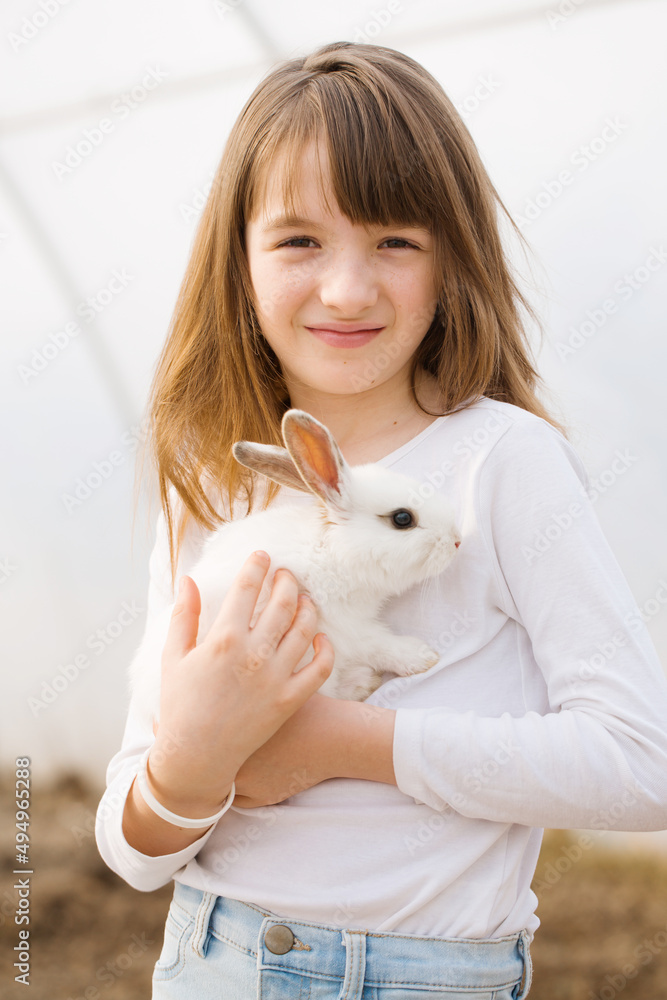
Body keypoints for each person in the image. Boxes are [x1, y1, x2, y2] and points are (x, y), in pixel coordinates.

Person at [95, 41, 667, 999]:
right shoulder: (213, 490)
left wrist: (339, 743)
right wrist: (193, 768)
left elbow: (637, 764)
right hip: (219, 960)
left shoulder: (502, 463)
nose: (348, 289)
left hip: (432, 974)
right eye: (298, 241)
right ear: (237, 259)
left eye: (395, 240)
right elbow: (131, 847)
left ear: (452, 255)